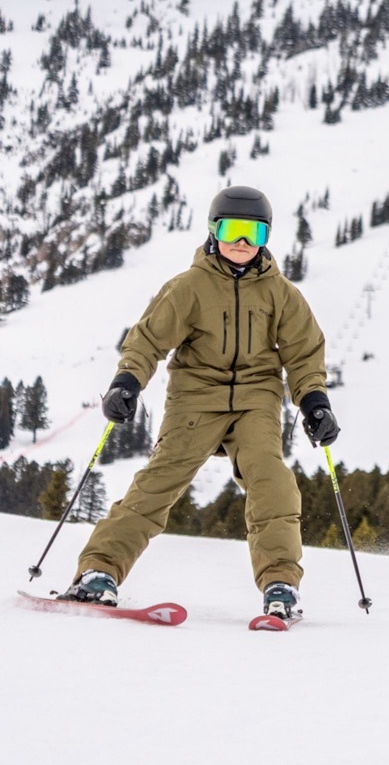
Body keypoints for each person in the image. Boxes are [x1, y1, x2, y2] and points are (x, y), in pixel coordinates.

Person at [60, 186, 335, 620]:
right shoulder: (189, 286)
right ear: (213, 231)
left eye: (254, 233)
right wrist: (127, 381)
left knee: (271, 479)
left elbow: (304, 354)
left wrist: (314, 401)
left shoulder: (281, 293)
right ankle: (99, 571)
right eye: (232, 230)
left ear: (266, 237)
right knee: (159, 480)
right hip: (195, 395)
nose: (242, 243)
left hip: (256, 399)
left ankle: (280, 581)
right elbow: (148, 340)